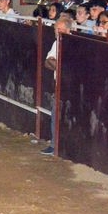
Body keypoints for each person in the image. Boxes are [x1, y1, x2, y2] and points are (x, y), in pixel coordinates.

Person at [42, 16, 73, 155]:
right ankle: (54, 144)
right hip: (59, 83)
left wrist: (57, 64)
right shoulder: (57, 43)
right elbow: (47, 62)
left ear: (68, 30)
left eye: (59, 30)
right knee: (55, 114)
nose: (57, 32)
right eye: (55, 30)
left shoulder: (74, 43)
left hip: (72, 86)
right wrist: (61, 66)